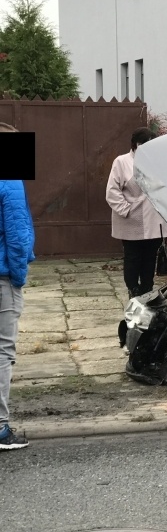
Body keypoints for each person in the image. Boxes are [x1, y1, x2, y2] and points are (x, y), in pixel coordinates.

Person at [0, 122, 36, 450]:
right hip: (3, 278)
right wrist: (19, 276)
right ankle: (0, 427)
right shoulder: (9, 182)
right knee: (3, 350)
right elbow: (17, 234)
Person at [106, 127, 167, 298]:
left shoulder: (158, 162)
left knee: (150, 257)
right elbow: (112, 191)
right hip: (130, 220)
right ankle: (133, 289)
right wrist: (126, 210)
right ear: (136, 144)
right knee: (133, 257)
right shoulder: (122, 162)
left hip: (154, 219)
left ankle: (147, 289)